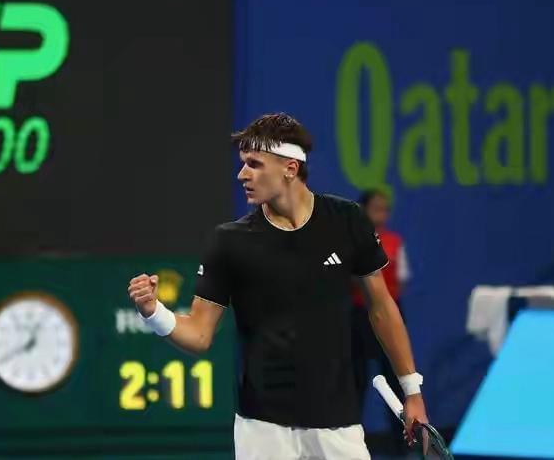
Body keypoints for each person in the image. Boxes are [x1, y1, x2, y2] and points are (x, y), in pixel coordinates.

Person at [127, 113, 429, 460]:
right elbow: (198, 334)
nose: (242, 174)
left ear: (290, 168)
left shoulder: (347, 220)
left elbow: (382, 308)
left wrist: (412, 391)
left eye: (254, 164)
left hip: (338, 424)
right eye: (243, 164)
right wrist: (153, 312)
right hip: (262, 428)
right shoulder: (229, 241)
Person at [350, 189, 412, 449]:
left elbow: (402, 280)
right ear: (363, 210)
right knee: (356, 381)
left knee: (397, 379)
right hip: (359, 317)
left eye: (385, 209)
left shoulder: (395, 242)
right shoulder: (352, 242)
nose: (382, 214)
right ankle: (351, 442)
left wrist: (386, 307)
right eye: (376, 208)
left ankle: (403, 443)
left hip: (389, 315)